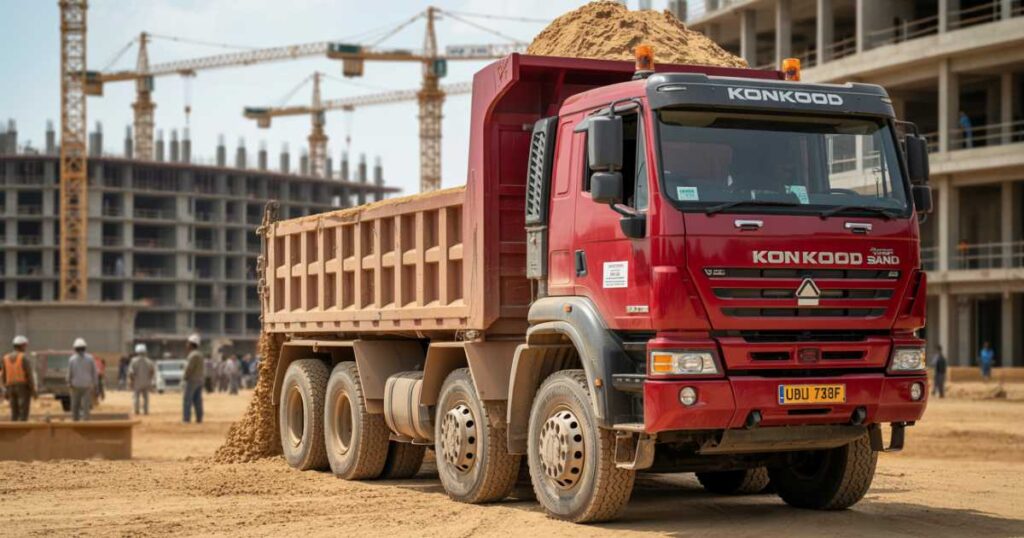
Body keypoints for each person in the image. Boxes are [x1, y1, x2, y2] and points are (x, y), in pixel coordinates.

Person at [1, 335, 36, 421]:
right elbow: (29, 375)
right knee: (23, 411)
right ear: (22, 345)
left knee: (14, 412)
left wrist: (5, 389)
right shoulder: (24, 358)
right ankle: (22, 427)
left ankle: (14, 428)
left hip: (10, 387)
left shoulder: (5, 358)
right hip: (22, 387)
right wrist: (33, 390)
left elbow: (3, 376)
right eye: (25, 345)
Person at [67, 338, 98, 421]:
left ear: (75, 348)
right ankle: (86, 423)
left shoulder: (71, 359)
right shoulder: (90, 358)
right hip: (87, 386)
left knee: (75, 407)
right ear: (85, 348)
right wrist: (95, 385)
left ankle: (75, 423)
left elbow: (69, 373)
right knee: (86, 407)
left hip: (75, 387)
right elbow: (94, 373)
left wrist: (69, 383)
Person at [128, 343, 156, 415]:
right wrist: (150, 380)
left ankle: (136, 410)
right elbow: (152, 372)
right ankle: (146, 411)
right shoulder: (149, 361)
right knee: (146, 398)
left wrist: (131, 381)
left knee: (136, 397)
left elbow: (131, 372)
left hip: (137, 382)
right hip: (146, 382)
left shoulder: (133, 361)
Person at [183, 334, 205, 424]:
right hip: (200, 380)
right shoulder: (200, 355)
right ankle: (199, 419)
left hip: (192, 380)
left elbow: (189, 368)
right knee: (197, 400)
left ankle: (186, 419)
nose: (187, 345)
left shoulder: (192, 355)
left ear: (192, 344)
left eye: (188, 343)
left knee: (187, 400)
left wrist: (185, 377)